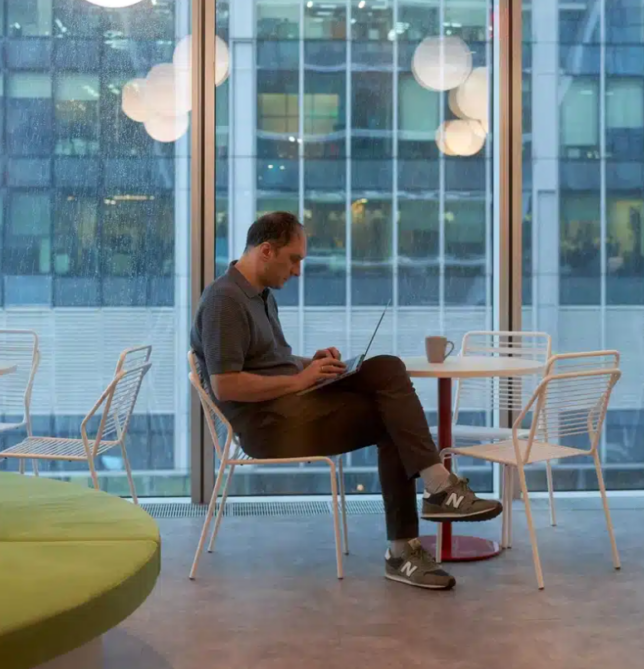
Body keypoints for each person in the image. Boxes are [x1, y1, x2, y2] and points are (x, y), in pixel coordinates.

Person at [191, 211, 502, 590]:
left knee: (387, 368)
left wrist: (310, 364)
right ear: (267, 251)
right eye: (294, 259)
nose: (297, 271)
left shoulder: (260, 296)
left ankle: (432, 498)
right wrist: (300, 379)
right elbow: (226, 385)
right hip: (268, 427)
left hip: (289, 407)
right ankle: (417, 527)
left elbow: (268, 361)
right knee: (391, 413)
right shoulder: (225, 300)